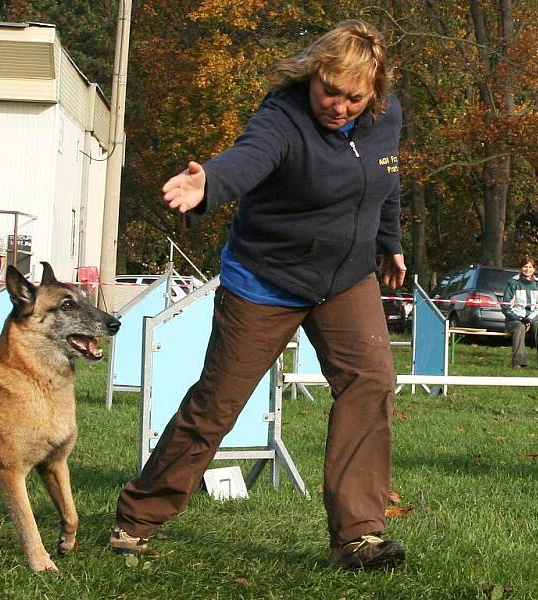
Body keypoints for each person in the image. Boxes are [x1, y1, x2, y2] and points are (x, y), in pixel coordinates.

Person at [108, 20, 407, 572]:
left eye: (353, 97)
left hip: (344, 280)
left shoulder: (385, 119)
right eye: (329, 91)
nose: (339, 106)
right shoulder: (284, 116)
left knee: (371, 381)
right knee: (217, 404)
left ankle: (359, 535)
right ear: (311, 76)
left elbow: (386, 181)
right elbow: (248, 158)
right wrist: (208, 185)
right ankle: (137, 517)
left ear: (374, 92)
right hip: (266, 279)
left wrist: (389, 242)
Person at [502, 257, 538, 369]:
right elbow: (506, 306)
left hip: (533, 318)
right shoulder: (513, 283)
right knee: (519, 327)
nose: (527, 269)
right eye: (525, 266)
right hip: (515, 320)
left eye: (530, 267)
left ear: (534, 269)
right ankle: (519, 361)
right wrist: (520, 319)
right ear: (521, 268)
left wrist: (529, 319)